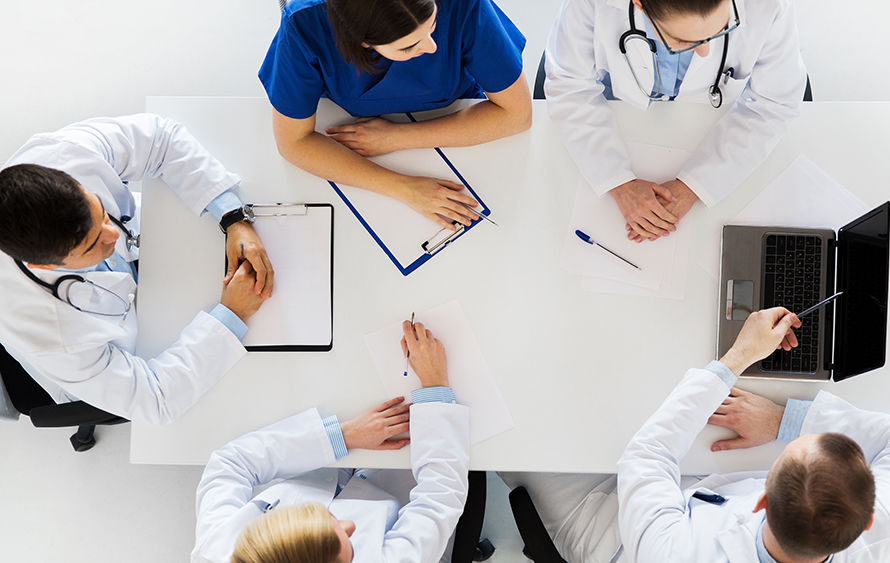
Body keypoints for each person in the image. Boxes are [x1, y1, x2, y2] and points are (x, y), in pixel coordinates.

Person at [505, 308, 890, 562]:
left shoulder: (678, 553)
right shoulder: (880, 527)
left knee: (516, 426)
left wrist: (736, 358)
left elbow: (646, 457)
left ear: (762, 499)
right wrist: (782, 422)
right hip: (688, 492)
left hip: (614, 532)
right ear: (868, 517)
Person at [0, 114, 274, 424]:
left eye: (103, 214)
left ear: (75, 182)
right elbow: (155, 398)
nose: (113, 234)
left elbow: (161, 139)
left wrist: (232, 216)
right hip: (112, 355)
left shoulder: (65, 153)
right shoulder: (54, 336)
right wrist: (231, 315)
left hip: (155, 267)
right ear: (44, 265)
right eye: (92, 245)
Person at [192, 320, 471, 563]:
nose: (349, 524)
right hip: (399, 475)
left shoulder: (221, 550)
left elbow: (230, 463)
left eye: (330, 519)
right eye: (349, 549)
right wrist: (435, 386)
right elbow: (439, 495)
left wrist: (342, 437)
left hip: (322, 455)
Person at [545, 0, 807, 242]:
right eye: (683, 41)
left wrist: (695, 185)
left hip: (708, 121)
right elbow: (570, 87)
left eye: (723, 29)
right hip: (622, 110)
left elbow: (774, 104)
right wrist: (616, 181)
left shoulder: (768, 5)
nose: (705, 51)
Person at [260, 0, 532, 230]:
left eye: (434, 25)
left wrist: (394, 137)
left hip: (459, 114)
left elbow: (516, 114)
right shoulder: (304, 23)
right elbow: (293, 142)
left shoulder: (463, 4)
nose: (432, 47)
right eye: (408, 46)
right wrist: (404, 188)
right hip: (349, 128)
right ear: (364, 42)